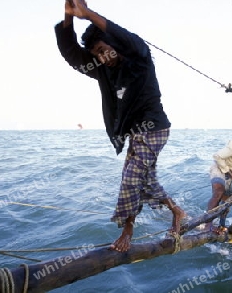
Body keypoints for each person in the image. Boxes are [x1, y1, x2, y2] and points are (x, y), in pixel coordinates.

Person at [54, 0, 186, 252]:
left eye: (105, 49)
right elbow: (71, 53)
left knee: (131, 177)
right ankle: (177, 211)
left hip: (154, 128)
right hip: (136, 134)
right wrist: (68, 16)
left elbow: (126, 38)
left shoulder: (139, 58)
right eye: (97, 55)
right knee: (146, 181)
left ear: (114, 44)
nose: (104, 57)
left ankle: (128, 230)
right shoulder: (102, 69)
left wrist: (89, 14)